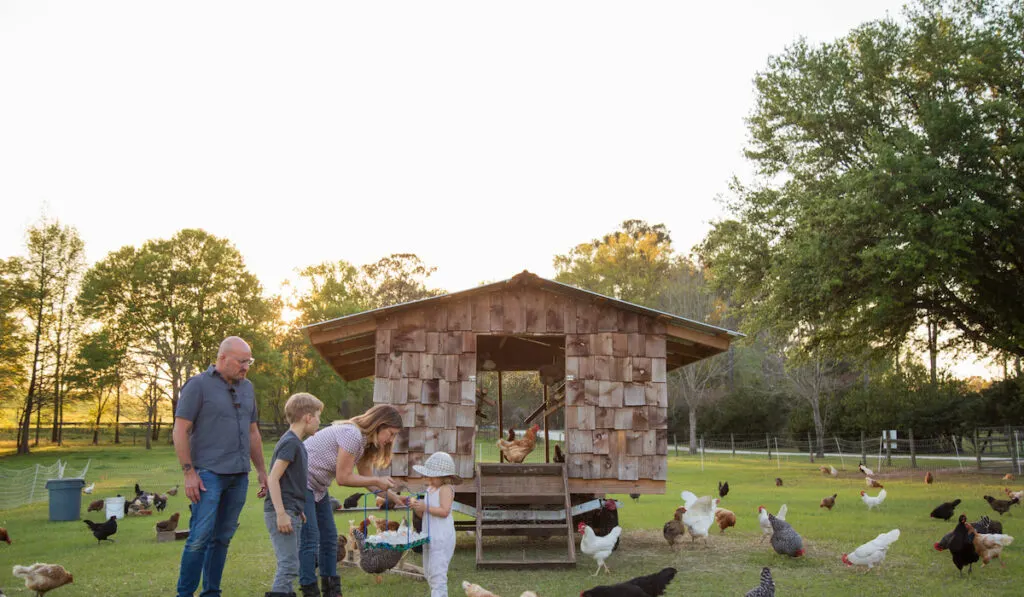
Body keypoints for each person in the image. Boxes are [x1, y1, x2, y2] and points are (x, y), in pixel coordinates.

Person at [173, 336, 269, 597]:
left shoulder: (247, 388)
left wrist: (261, 471)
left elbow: (253, 434)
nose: (246, 367)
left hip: (238, 475)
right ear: (223, 358)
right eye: (241, 361)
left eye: (249, 362)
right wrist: (188, 472)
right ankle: (185, 594)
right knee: (200, 537)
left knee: (223, 538)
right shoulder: (198, 385)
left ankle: (211, 592)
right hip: (208, 475)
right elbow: (180, 429)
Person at [299, 404, 405, 597]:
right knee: (310, 539)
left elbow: (369, 484)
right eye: (390, 433)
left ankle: (332, 592)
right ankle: (309, 591)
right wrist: (376, 479)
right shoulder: (352, 434)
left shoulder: (365, 444)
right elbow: (343, 478)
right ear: (379, 425)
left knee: (330, 539)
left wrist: (396, 498)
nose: (391, 440)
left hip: (318, 487)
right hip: (299, 481)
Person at [264, 393, 324, 597]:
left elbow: (289, 481)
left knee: (292, 564)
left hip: (293, 510)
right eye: (318, 416)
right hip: (282, 511)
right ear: (307, 417)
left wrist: (297, 509)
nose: (319, 422)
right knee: (289, 565)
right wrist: (281, 513)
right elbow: (273, 478)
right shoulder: (291, 442)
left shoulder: (296, 443)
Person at [409, 452, 458, 597]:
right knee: (429, 572)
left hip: (442, 537)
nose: (429, 478)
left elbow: (444, 511)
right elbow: (425, 515)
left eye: (432, 475)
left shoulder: (446, 489)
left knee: (438, 575)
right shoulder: (431, 489)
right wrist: (418, 508)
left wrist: (425, 507)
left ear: (444, 476)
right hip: (430, 535)